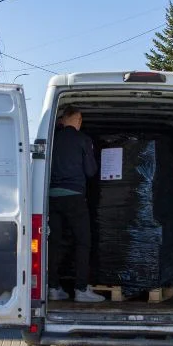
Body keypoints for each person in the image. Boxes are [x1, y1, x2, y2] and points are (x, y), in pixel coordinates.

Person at [47, 106, 105, 303]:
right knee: (83, 241)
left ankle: (53, 288)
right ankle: (81, 289)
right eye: (80, 119)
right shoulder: (83, 140)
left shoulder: (51, 139)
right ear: (78, 119)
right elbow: (90, 171)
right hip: (74, 197)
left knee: (54, 242)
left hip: (52, 197)